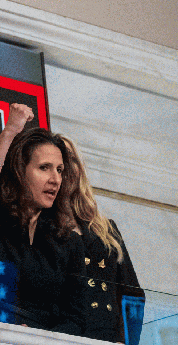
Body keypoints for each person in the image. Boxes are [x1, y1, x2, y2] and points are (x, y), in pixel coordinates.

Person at [0, 103, 85, 334]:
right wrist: (9, 133)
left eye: (59, 170)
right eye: (44, 168)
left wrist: (39, 337)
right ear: (19, 171)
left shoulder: (69, 242)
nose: (55, 179)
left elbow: (76, 317)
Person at [63, 135, 144, 345]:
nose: (67, 166)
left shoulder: (106, 228)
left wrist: (125, 342)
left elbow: (133, 295)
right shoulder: (41, 228)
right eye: (60, 159)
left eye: (71, 158)